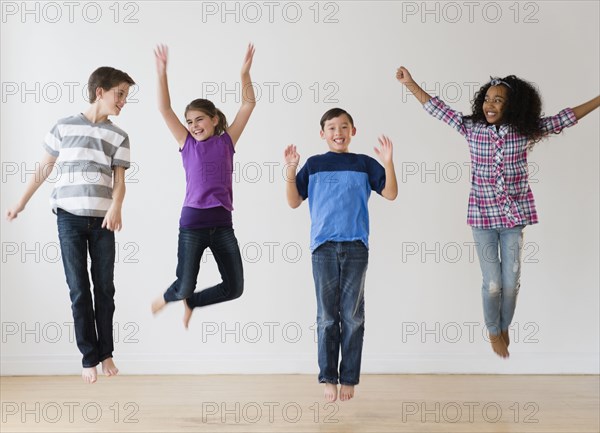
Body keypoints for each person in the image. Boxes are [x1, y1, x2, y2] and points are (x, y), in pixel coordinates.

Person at [396, 66, 600, 358]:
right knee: (492, 285)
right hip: (482, 218)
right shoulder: (472, 128)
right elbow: (436, 109)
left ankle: (504, 326)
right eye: (488, 98)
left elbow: (565, 118)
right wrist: (411, 83)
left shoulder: (524, 132)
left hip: (513, 219)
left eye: (499, 100)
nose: (490, 104)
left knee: (511, 283)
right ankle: (494, 331)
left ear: (512, 106)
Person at [6, 66, 135, 383]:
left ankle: (106, 353)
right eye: (120, 94)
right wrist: (20, 203)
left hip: (103, 220)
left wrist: (116, 207)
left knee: (105, 288)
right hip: (69, 219)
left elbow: (120, 181)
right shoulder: (63, 127)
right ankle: (89, 356)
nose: (123, 102)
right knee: (79, 290)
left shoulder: (118, 136)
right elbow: (43, 169)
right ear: (100, 92)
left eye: (126, 97)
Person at [284, 108, 398, 402]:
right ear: (322, 134)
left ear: (353, 131)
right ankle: (328, 377)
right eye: (332, 128)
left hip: (356, 247)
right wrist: (291, 170)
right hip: (323, 248)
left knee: (352, 316)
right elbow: (294, 202)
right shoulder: (314, 165)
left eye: (344, 127)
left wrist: (388, 162)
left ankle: (348, 377)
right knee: (326, 316)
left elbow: (390, 193)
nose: (338, 132)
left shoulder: (364, 164)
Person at [151, 44, 256, 329]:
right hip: (193, 224)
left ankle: (193, 302)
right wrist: (162, 73)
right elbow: (164, 108)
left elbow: (248, 105)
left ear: (215, 119)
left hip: (223, 225)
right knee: (184, 285)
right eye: (189, 122)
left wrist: (244, 73)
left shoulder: (226, 142)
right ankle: (173, 296)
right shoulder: (187, 144)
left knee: (234, 287)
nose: (194, 126)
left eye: (199, 120)